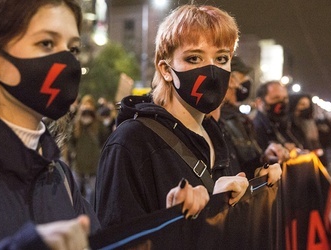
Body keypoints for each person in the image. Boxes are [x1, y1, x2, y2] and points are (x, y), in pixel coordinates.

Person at [0, 0, 207, 249]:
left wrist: (169, 218)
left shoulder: (59, 175)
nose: (67, 61)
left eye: (73, 49)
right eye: (46, 43)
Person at [94, 4, 281, 228]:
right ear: (165, 70)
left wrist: (257, 183)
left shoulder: (215, 134)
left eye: (221, 59)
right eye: (194, 58)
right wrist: (188, 214)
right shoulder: (131, 142)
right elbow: (121, 238)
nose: (212, 71)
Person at [211, 57, 290, 179]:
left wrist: (265, 158)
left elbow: (245, 162)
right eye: (243, 77)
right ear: (231, 80)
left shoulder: (238, 117)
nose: (246, 82)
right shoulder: (222, 118)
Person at [68, 94, 101, 204]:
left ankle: (89, 216)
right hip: (78, 165)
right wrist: (73, 153)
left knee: (91, 193)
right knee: (75, 192)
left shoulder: (97, 123)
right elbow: (69, 141)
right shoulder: (76, 124)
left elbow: (105, 137)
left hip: (93, 165)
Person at [252, 81, 302, 152]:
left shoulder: (287, 124)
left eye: (285, 98)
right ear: (259, 102)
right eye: (276, 98)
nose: (282, 103)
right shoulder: (253, 128)